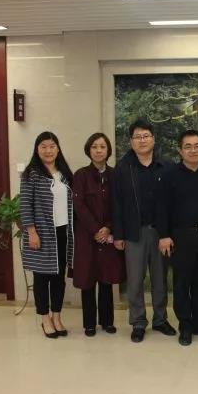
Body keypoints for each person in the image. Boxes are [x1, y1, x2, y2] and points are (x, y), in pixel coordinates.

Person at [111, 118, 176, 343]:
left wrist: (169, 233)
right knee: (135, 281)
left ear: (153, 139)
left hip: (161, 233)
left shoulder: (166, 166)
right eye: (137, 137)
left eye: (146, 136)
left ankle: (160, 319)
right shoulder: (122, 168)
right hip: (134, 233)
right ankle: (138, 322)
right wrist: (118, 234)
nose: (142, 140)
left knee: (160, 280)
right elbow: (116, 203)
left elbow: (172, 203)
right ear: (131, 141)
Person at [157, 130, 198, 346]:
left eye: (197, 146)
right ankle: (185, 325)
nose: (193, 150)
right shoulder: (170, 174)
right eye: (188, 146)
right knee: (182, 283)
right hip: (180, 237)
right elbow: (162, 208)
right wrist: (164, 235)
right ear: (180, 150)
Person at [20, 131, 74, 338]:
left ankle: (56, 317)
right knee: (42, 278)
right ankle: (45, 319)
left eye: (52, 146)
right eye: (43, 146)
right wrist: (31, 232)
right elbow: (25, 205)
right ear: (37, 149)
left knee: (59, 278)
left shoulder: (64, 174)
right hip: (41, 233)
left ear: (58, 149)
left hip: (63, 232)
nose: (48, 150)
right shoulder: (31, 174)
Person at [72, 133, 125, 337]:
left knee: (106, 279)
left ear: (108, 150)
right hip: (87, 236)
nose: (98, 150)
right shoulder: (81, 175)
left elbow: (119, 205)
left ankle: (107, 321)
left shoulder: (115, 174)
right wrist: (96, 229)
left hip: (108, 235)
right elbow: (79, 206)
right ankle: (89, 324)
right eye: (94, 146)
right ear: (89, 150)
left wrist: (108, 228)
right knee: (88, 280)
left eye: (102, 146)